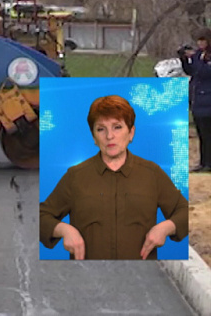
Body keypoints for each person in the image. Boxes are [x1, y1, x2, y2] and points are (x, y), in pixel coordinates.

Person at [39, 95, 189, 260]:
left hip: (142, 278)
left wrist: (166, 227)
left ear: (131, 132)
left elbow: (184, 211)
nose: (109, 136)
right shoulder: (75, 176)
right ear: (94, 137)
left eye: (117, 127)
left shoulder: (152, 173)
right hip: (88, 278)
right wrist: (64, 230)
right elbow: (41, 216)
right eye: (101, 129)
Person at [181, 29, 211, 173]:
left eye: (203, 40)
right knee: (201, 134)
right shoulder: (199, 55)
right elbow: (191, 71)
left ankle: (209, 163)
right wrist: (185, 59)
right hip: (198, 100)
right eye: (198, 41)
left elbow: (205, 72)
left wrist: (199, 61)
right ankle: (203, 161)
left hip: (208, 100)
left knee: (208, 133)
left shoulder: (207, 57)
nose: (200, 44)